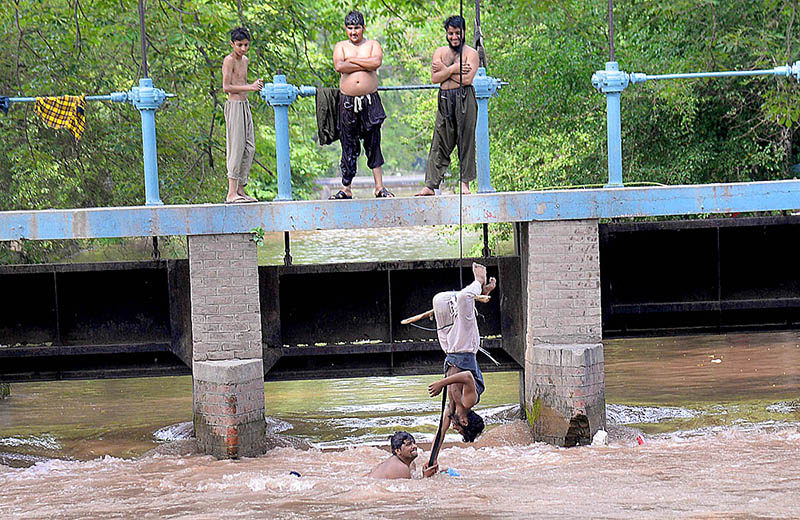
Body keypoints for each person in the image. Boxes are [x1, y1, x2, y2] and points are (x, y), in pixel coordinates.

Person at [427, 262, 496, 463]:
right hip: (465, 346)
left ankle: (480, 292)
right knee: (465, 298)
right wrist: (441, 384)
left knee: (439, 300)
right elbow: (466, 376)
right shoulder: (469, 401)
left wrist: (432, 461)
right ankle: (479, 282)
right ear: (465, 421)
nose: (454, 427)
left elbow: (440, 433)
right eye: (458, 428)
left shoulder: (451, 410)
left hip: (449, 348)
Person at [331, 11, 394, 200]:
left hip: (370, 101)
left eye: (357, 28)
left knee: (373, 141)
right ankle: (347, 188)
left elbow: (376, 62)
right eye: (350, 28)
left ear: (363, 28)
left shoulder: (372, 45)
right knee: (348, 143)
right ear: (345, 29)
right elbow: (339, 66)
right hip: (348, 102)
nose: (353, 32)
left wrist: (353, 61)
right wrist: (364, 64)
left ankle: (379, 187)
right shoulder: (340, 46)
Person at [416, 15, 479, 197]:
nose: (454, 37)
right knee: (439, 141)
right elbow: (435, 78)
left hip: (464, 98)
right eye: (450, 33)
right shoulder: (440, 52)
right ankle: (430, 185)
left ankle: (464, 184)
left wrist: (444, 70)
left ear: (464, 32)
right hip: (445, 99)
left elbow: (466, 79)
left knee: (466, 140)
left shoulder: (471, 54)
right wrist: (453, 69)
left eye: (457, 33)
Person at [222, 27, 263, 204]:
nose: (243, 49)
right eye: (239, 45)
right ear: (232, 44)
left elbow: (242, 82)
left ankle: (240, 189)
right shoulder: (228, 61)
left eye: (246, 45)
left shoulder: (245, 60)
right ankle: (231, 193)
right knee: (236, 148)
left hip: (245, 105)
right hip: (234, 106)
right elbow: (226, 87)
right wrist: (250, 87)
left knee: (249, 147)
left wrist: (255, 86)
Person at [368, 431, 437, 479]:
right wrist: (426, 477)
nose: (414, 446)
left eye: (414, 443)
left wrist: (424, 474)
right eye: (408, 444)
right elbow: (410, 493)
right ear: (398, 451)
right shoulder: (400, 468)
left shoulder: (411, 463)